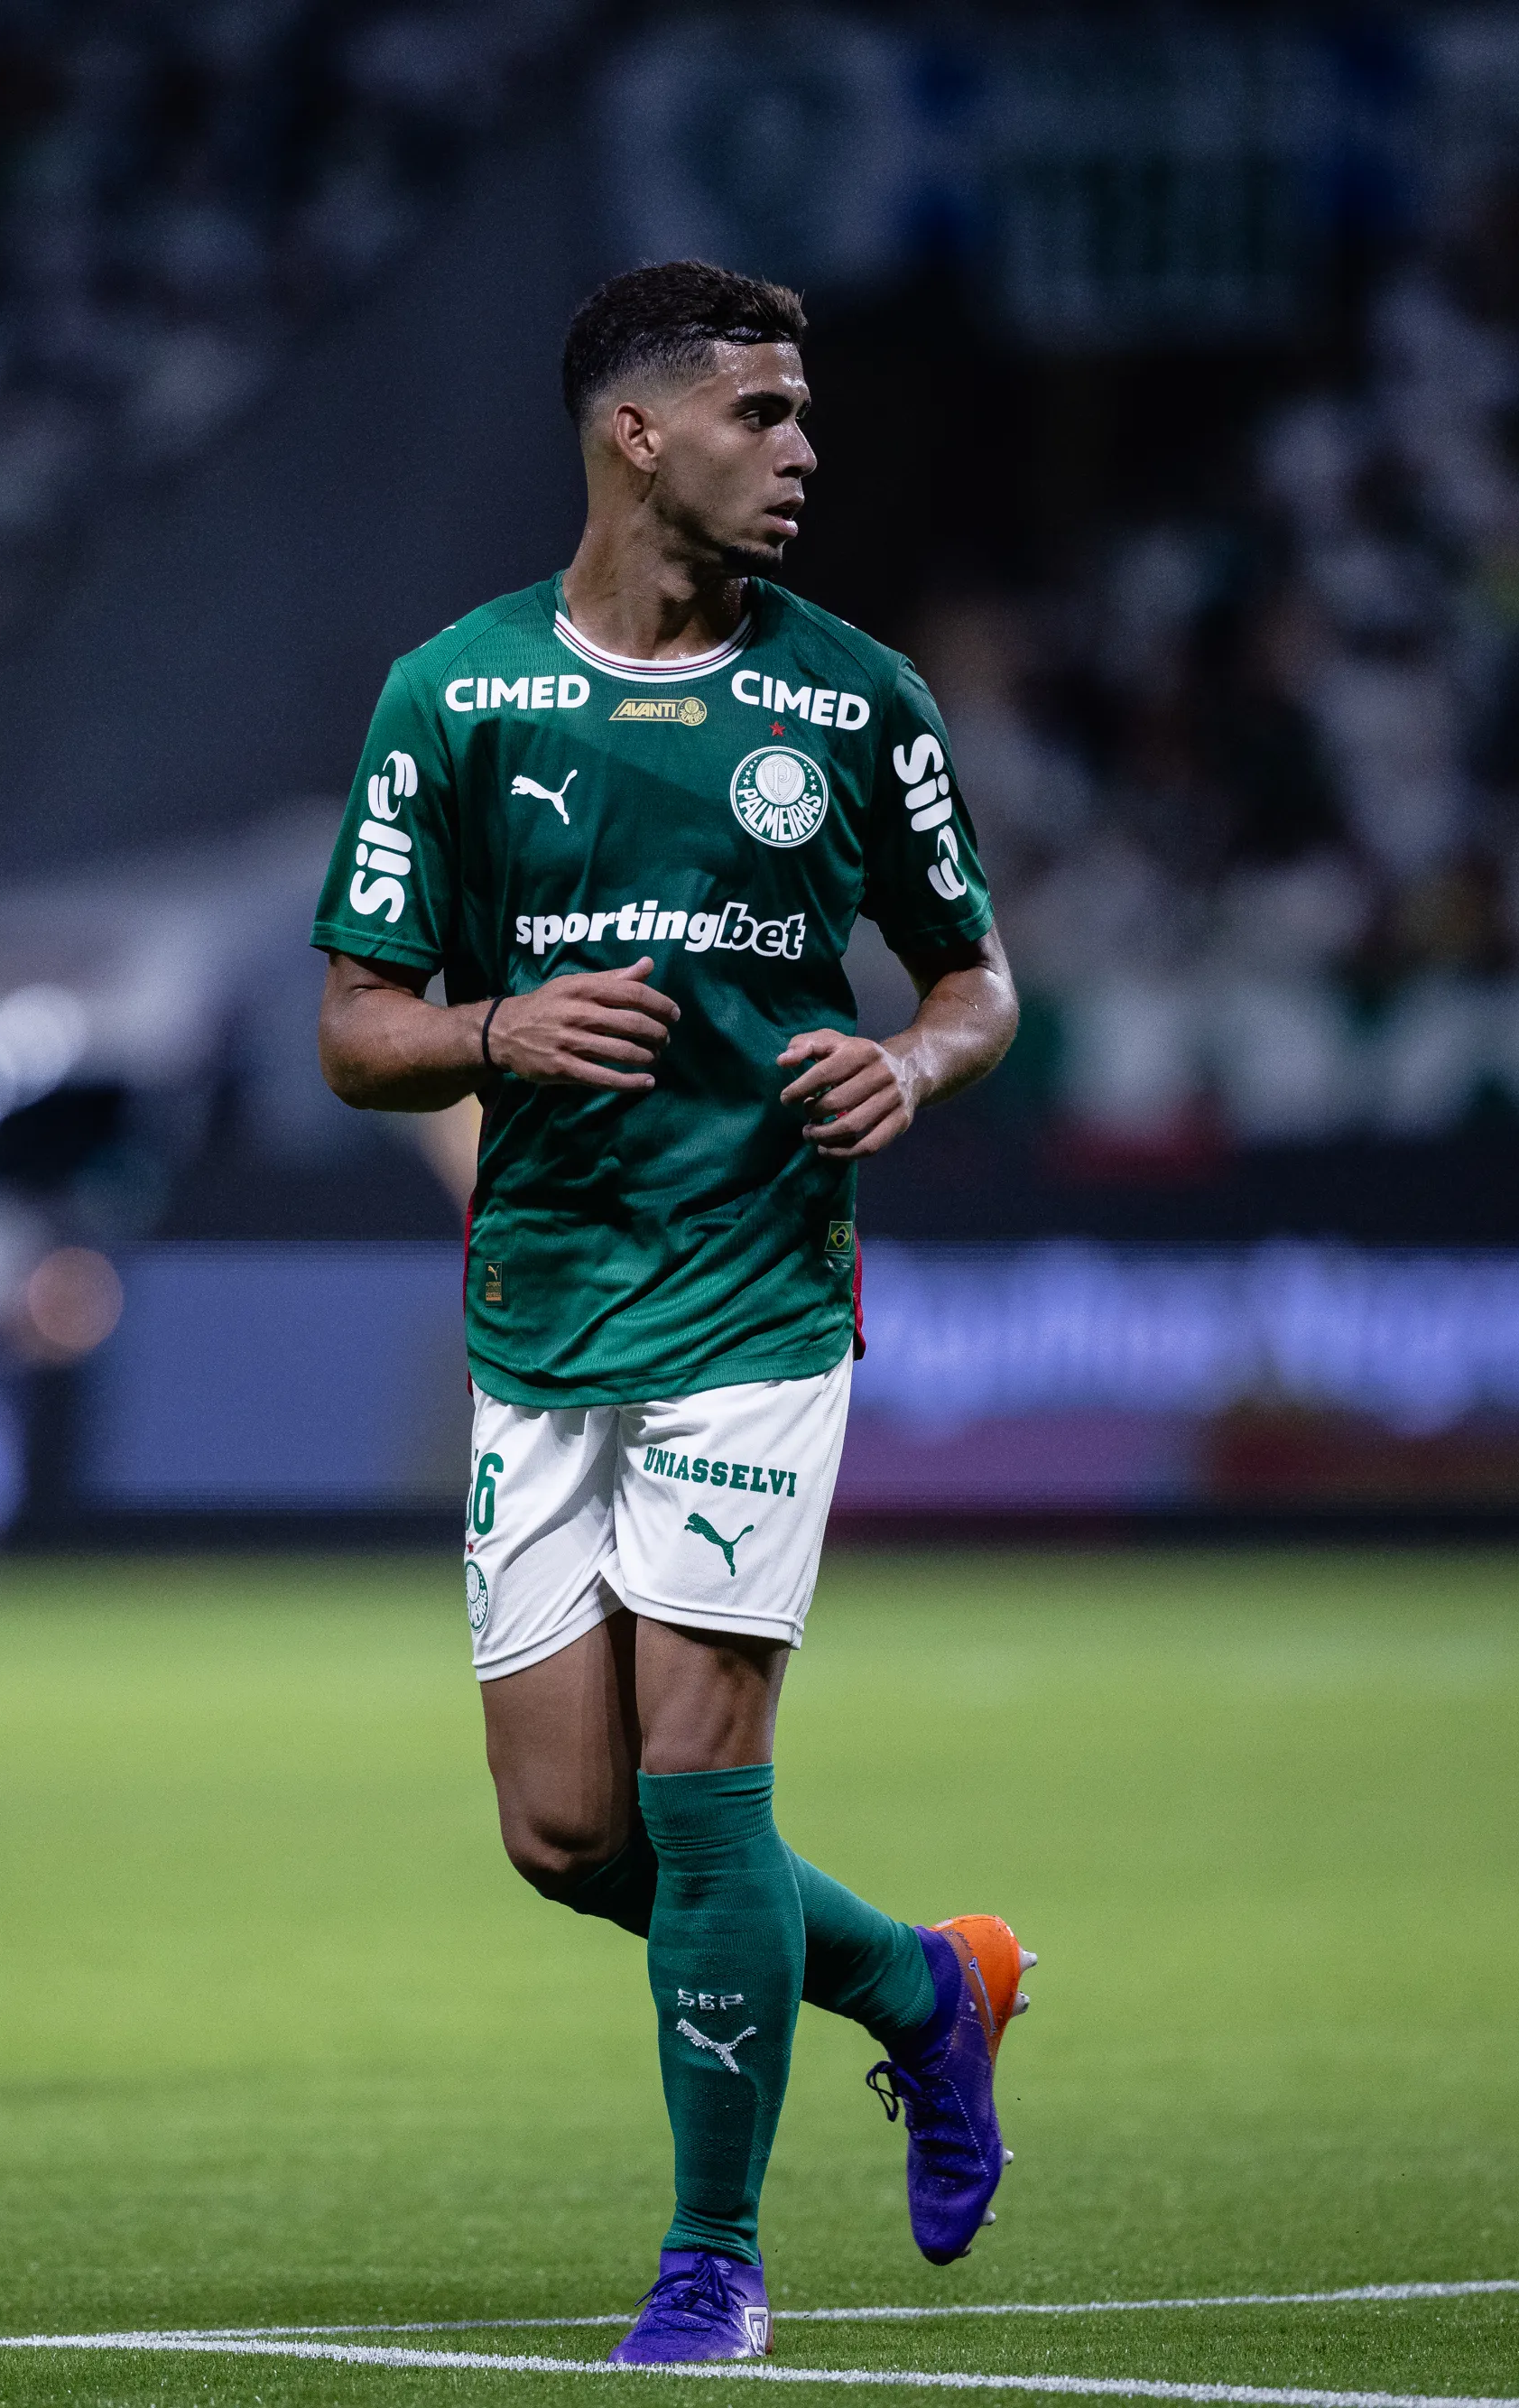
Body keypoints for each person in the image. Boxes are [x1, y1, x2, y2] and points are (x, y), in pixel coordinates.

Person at [311, 262, 1030, 2362]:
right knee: (563, 1831)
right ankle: (918, 1979)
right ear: (638, 434)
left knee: (703, 1784)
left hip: (756, 1297)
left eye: (803, 415)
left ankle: (711, 2261)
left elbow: (976, 976)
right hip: (542, 1310)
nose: (801, 452)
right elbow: (356, 1033)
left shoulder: (852, 699)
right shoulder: (452, 698)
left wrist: (911, 1065)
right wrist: (488, 1027)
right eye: (761, 414)